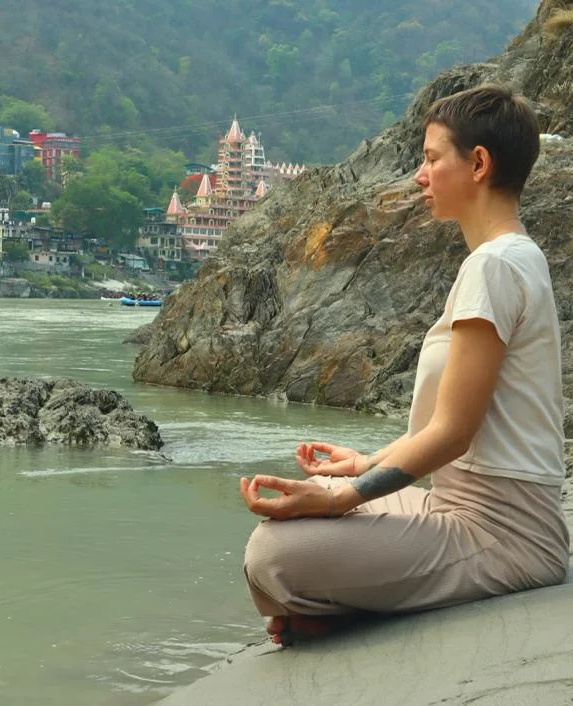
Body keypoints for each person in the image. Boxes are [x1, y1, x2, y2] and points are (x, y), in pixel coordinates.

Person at [238, 84, 569, 645]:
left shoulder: (494, 267)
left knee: (272, 553)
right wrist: (366, 462)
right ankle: (344, 600)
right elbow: (453, 425)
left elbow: (452, 434)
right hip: (460, 505)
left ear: (479, 164)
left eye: (432, 159)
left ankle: (345, 603)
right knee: (297, 514)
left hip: (505, 534)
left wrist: (343, 497)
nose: (420, 175)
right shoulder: (511, 257)